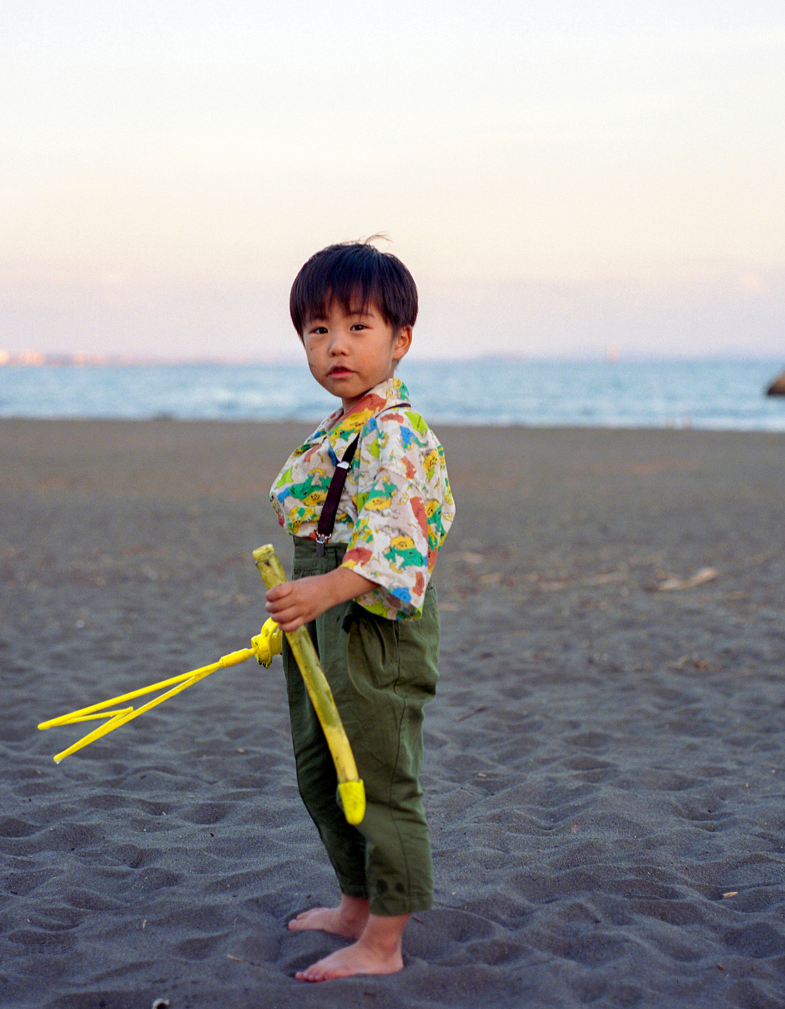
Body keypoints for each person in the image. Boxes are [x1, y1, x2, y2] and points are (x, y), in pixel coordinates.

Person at [265, 240, 456, 982]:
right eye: (318, 329)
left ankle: (384, 938)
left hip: (373, 623)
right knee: (320, 769)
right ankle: (354, 901)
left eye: (357, 326)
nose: (335, 344)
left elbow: (398, 544)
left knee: (377, 775)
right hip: (320, 614)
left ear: (400, 339)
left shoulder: (398, 433)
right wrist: (304, 597)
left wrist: (324, 588)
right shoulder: (343, 423)